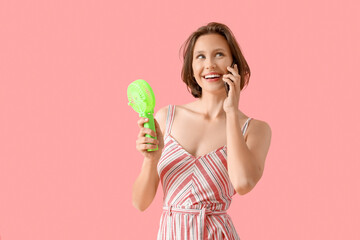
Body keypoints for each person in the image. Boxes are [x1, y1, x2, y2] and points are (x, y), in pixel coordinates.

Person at [132, 22, 272, 240]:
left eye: (219, 55)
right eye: (200, 57)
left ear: (234, 64)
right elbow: (140, 202)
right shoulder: (166, 117)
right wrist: (152, 159)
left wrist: (231, 112)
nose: (209, 65)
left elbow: (243, 183)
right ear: (191, 67)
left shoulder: (255, 129)